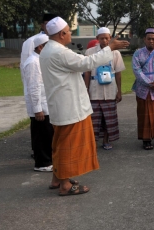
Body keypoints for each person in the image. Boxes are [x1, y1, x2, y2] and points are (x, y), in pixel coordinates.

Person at [40, 17, 129, 196]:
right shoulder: (58, 52)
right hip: (69, 107)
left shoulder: (49, 50)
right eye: (69, 31)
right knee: (68, 146)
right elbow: (86, 64)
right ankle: (65, 185)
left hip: (62, 105)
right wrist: (110, 48)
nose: (71, 33)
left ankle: (58, 178)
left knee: (59, 143)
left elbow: (80, 61)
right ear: (62, 34)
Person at [83, 27, 126, 150]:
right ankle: (92, 142)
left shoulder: (116, 53)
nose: (105, 41)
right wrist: (86, 89)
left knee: (108, 118)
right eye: (102, 38)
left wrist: (119, 91)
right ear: (97, 39)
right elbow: (87, 72)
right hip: (94, 90)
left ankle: (106, 140)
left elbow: (118, 73)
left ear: (110, 38)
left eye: (107, 38)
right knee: (94, 119)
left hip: (110, 90)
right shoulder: (90, 52)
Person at [22, 33, 53, 172]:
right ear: (40, 47)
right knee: (40, 136)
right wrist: (37, 109)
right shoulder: (33, 63)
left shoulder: (40, 60)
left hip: (46, 104)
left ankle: (47, 160)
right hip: (40, 107)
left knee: (47, 134)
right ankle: (42, 163)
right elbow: (33, 88)